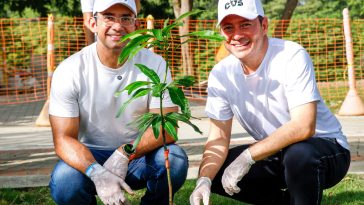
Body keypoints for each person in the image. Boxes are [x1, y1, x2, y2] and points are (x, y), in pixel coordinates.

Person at [190, 0, 351, 204]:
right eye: (228, 27)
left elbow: (304, 126)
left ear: (264, 25)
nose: (237, 35)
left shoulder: (291, 55)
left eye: (245, 24)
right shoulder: (221, 74)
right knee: (217, 169)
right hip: (278, 151)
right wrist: (204, 180)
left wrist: (248, 156)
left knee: (299, 154)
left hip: (326, 149)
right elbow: (218, 137)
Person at [49, 0, 188, 204]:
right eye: (109, 17)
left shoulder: (155, 64)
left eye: (125, 18)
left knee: (174, 159)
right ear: (93, 23)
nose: (118, 25)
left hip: (139, 155)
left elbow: (168, 126)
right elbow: (63, 140)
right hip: (90, 155)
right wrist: (96, 171)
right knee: (65, 180)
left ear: (136, 26)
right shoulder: (70, 70)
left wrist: (125, 153)